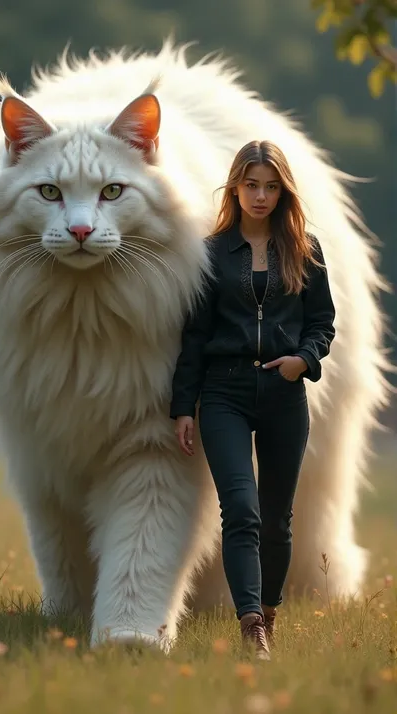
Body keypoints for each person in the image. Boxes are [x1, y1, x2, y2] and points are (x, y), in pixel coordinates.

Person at [169, 140, 336, 660]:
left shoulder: (303, 249)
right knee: (240, 508)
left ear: (282, 190)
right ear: (235, 188)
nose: (260, 196)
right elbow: (193, 335)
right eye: (251, 185)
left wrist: (304, 360)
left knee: (276, 517)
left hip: (285, 394)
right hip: (224, 393)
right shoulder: (211, 252)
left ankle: (267, 610)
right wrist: (182, 406)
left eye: (270, 186)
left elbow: (322, 324)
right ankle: (251, 630)